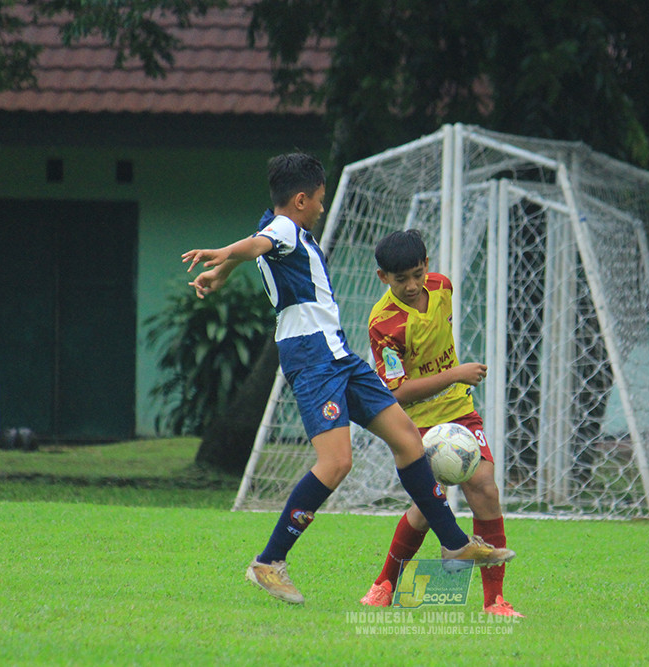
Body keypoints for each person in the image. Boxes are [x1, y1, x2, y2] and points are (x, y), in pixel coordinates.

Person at [181, 153, 514, 605]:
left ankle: (454, 541)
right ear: (300, 200)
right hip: (313, 357)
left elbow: (258, 243)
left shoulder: (276, 223)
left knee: (407, 439)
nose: (322, 207)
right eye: (319, 200)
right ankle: (269, 561)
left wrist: (223, 269)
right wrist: (223, 255)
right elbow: (259, 243)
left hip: (338, 353)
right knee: (336, 463)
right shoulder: (283, 228)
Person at [359, 229, 524, 618]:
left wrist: (453, 381)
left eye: (418, 274)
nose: (413, 285)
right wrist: (455, 373)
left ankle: (494, 602)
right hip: (414, 420)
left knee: (484, 488)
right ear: (383, 277)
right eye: (401, 280)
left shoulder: (442, 287)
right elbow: (397, 393)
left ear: (427, 266)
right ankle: (384, 584)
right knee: (428, 506)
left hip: (457, 410)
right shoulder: (384, 324)